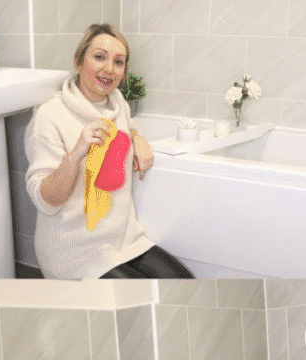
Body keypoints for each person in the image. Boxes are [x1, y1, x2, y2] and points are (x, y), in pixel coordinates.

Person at [25, 23, 193, 279]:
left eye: (118, 62)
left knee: (183, 282)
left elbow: (129, 129)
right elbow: (46, 201)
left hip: (124, 239)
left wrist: (137, 138)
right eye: (99, 57)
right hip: (73, 250)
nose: (109, 69)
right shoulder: (50, 116)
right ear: (79, 61)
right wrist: (76, 153)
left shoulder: (118, 104)